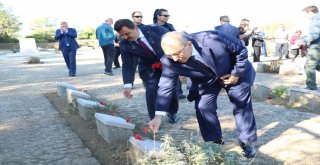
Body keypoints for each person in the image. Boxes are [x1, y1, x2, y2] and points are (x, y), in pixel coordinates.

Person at [149, 31, 257, 158]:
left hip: (233, 72)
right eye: (170, 55)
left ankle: (247, 141)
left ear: (188, 44)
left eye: (177, 54)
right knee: (203, 107)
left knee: (241, 106)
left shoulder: (213, 38)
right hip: (206, 80)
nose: (175, 59)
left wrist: (236, 73)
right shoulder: (169, 61)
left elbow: (240, 50)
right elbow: (165, 86)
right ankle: (214, 142)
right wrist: (158, 116)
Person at [113, 19, 179, 123]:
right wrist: (127, 85)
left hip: (168, 63)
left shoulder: (155, 29)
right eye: (122, 35)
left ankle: (172, 111)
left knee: (170, 89)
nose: (125, 37)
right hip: (148, 68)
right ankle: (154, 119)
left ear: (135, 27)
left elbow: (175, 42)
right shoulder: (124, 44)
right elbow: (127, 65)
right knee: (151, 90)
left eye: (127, 33)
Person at [153, 8, 186, 99]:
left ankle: (178, 93)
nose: (168, 17)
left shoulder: (170, 26)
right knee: (164, 75)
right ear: (158, 17)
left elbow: (176, 37)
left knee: (175, 72)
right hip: (159, 54)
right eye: (165, 15)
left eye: (168, 16)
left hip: (172, 52)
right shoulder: (153, 27)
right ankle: (164, 93)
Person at [299, 5, 320, 90]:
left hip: (317, 46)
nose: (305, 17)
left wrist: (302, 41)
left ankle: (311, 86)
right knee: (317, 65)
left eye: (305, 14)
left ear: (310, 12)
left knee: (309, 65)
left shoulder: (316, 19)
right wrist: (304, 38)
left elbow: (314, 35)